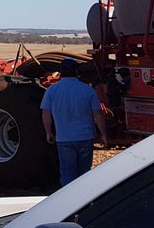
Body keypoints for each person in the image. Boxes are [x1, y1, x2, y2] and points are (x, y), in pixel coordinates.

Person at [41, 56, 108, 187]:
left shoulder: (52, 90)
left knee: (67, 174)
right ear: (77, 72)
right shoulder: (87, 90)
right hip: (85, 137)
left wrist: (48, 132)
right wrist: (104, 134)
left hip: (64, 139)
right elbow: (97, 114)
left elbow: (46, 113)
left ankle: (69, 201)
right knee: (84, 174)